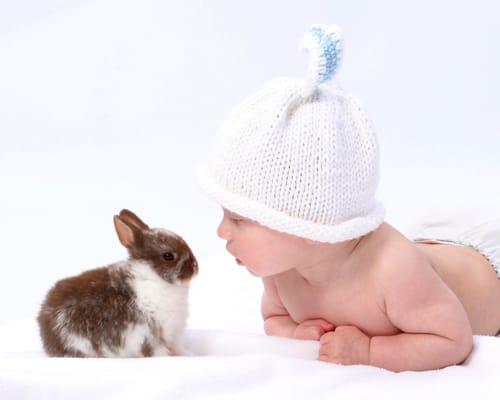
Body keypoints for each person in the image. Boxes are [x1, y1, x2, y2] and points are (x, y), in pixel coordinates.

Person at [195, 24, 500, 372]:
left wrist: (368, 352)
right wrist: (294, 331)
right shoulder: (282, 270)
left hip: (489, 276)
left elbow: (452, 340)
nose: (222, 231)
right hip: (432, 257)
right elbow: (274, 318)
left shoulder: (392, 270)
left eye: (239, 219)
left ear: (309, 225)